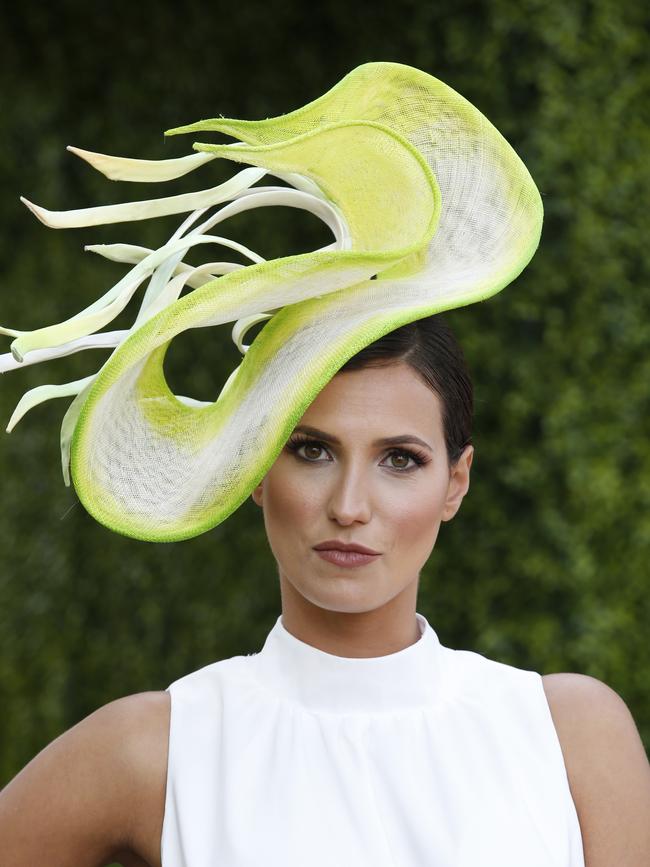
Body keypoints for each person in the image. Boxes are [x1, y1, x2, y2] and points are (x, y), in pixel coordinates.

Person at [1, 62, 649, 866]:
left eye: (401, 459)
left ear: (457, 481)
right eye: (311, 449)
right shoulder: (156, 749)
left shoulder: (571, 734)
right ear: (254, 469)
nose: (350, 503)